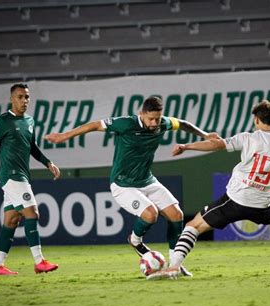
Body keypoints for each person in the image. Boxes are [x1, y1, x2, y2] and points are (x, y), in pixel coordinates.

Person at [148, 100, 270, 280]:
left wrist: (186, 146)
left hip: (235, 201)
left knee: (193, 226)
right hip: (262, 205)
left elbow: (216, 144)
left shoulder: (248, 138)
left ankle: (174, 266)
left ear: (256, 120)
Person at [44, 96, 219, 276]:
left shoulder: (163, 123)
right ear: (141, 114)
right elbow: (95, 124)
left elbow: (182, 123)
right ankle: (135, 241)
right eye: (150, 118)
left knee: (176, 215)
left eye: (157, 119)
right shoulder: (126, 124)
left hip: (147, 180)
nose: (154, 123)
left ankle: (175, 265)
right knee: (151, 214)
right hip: (123, 184)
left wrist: (205, 135)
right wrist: (64, 136)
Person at [0, 83, 61, 276]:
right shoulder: (2, 121)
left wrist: (47, 162)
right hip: (11, 175)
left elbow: (31, 146)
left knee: (11, 220)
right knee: (32, 212)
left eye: (27, 97)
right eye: (20, 97)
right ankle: (39, 261)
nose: (24, 100)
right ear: (11, 99)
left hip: (22, 175)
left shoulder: (30, 121)